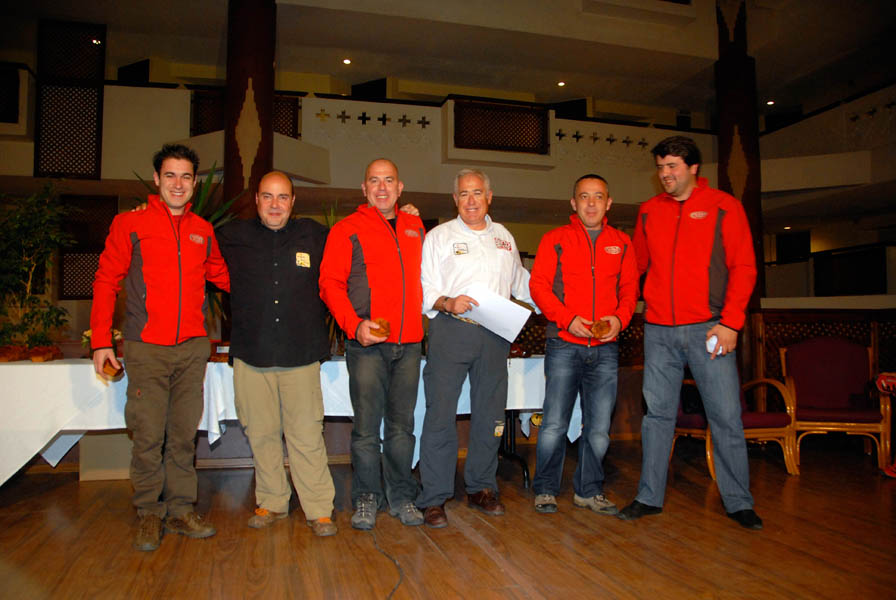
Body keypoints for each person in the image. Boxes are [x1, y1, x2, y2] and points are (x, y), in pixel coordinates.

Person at [90, 144, 230, 551]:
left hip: (192, 349)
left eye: (186, 176)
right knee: (149, 434)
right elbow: (106, 280)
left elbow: (223, 276)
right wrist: (100, 341)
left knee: (184, 436)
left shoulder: (203, 229)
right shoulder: (129, 224)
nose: (178, 184)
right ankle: (150, 513)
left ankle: (181, 509)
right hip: (146, 348)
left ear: (195, 182)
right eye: (170, 175)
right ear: (156, 179)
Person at [619, 135, 762, 530]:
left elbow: (744, 267)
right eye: (660, 167)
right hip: (659, 330)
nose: (665, 174)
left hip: (710, 329)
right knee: (657, 416)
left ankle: (739, 502)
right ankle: (649, 497)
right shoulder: (649, 211)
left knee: (725, 416)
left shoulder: (723, 206)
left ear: (693, 168)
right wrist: (617, 308)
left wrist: (731, 322)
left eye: (672, 167)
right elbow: (635, 268)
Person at [215, 171, 337, 537]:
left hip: (301, 354)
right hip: (251, 354)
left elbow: (355, 247)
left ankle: (319, 509)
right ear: (256, 200)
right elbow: (190, 244)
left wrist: (400, 215)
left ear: (293, 201)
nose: (274, 204)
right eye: (267, 196)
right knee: (261, 434)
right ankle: (271, 501)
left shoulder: (315, 235)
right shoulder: (232, 236)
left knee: (307, 435)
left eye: (282, 197)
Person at [417, 168, 535, 528]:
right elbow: (425, 286)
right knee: (440, 415)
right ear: (455, 199)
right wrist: (448, 302)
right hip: (451, 330)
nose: (471, 200)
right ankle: (434, 496)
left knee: (491, 415)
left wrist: (560, 305)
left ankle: (482, 486)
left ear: (489, 196)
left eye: (477, 193)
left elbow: (522, 283)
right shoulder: (439, 237)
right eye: (464, 194)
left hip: (495, 336)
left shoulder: (504, 238)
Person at [319, 159, 426, 530]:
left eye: (389, 181)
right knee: (366, 429)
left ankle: (402, 496)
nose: (382, 188)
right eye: (374, 181)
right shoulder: (347, 229)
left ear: (400, 187)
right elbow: (329, 284)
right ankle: (366, 497)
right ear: (364, 188)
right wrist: (354, 326)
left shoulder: (416, 227)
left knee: (402, 428)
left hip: (409, 344)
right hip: (366, 346)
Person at [529, 174, 639, 515]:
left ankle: (589, 491)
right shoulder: (555, 240)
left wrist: (619, 320)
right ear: (573, 203)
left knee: (599, 429)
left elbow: (630, 290)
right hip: (564, 344)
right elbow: (539, 286)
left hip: (605, 349)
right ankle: (545, 489)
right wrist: (567, 318)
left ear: (609, 203)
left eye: (598, 196)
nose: (591, 203)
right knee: (553, 424)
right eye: (584, 196)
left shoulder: (622, 242)